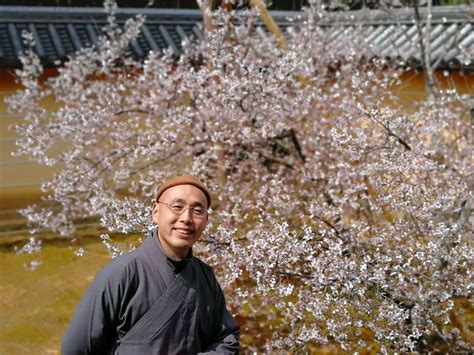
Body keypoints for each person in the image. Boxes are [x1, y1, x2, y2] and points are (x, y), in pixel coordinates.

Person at [62, 175, 240, 354]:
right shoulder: (121, 273)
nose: (186, 218)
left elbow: (226, 338)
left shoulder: (205, 276)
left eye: (197, 211)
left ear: (206, 221)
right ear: (155, 212)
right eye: (177, 207)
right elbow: (76, 349)